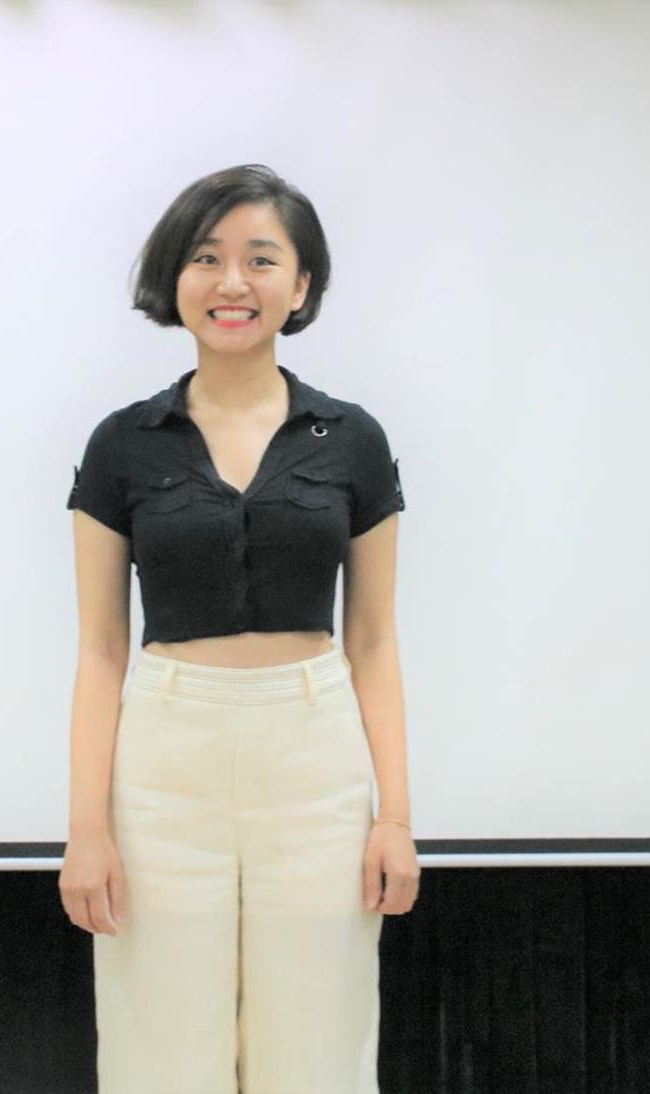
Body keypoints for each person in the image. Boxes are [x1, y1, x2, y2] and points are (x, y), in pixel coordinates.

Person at [59, 163, 419, 1093]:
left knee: (319, 1040)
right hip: (165, 759)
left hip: (314, 754)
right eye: (206, 258)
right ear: (174, 279)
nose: (232, 282)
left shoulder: (353, 440)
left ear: (300, 287)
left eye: (261, 259)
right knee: (159, 1045)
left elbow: (373, 641)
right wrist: (86, 830)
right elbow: (100, 649)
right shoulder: (123, 444)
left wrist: (395, 818)